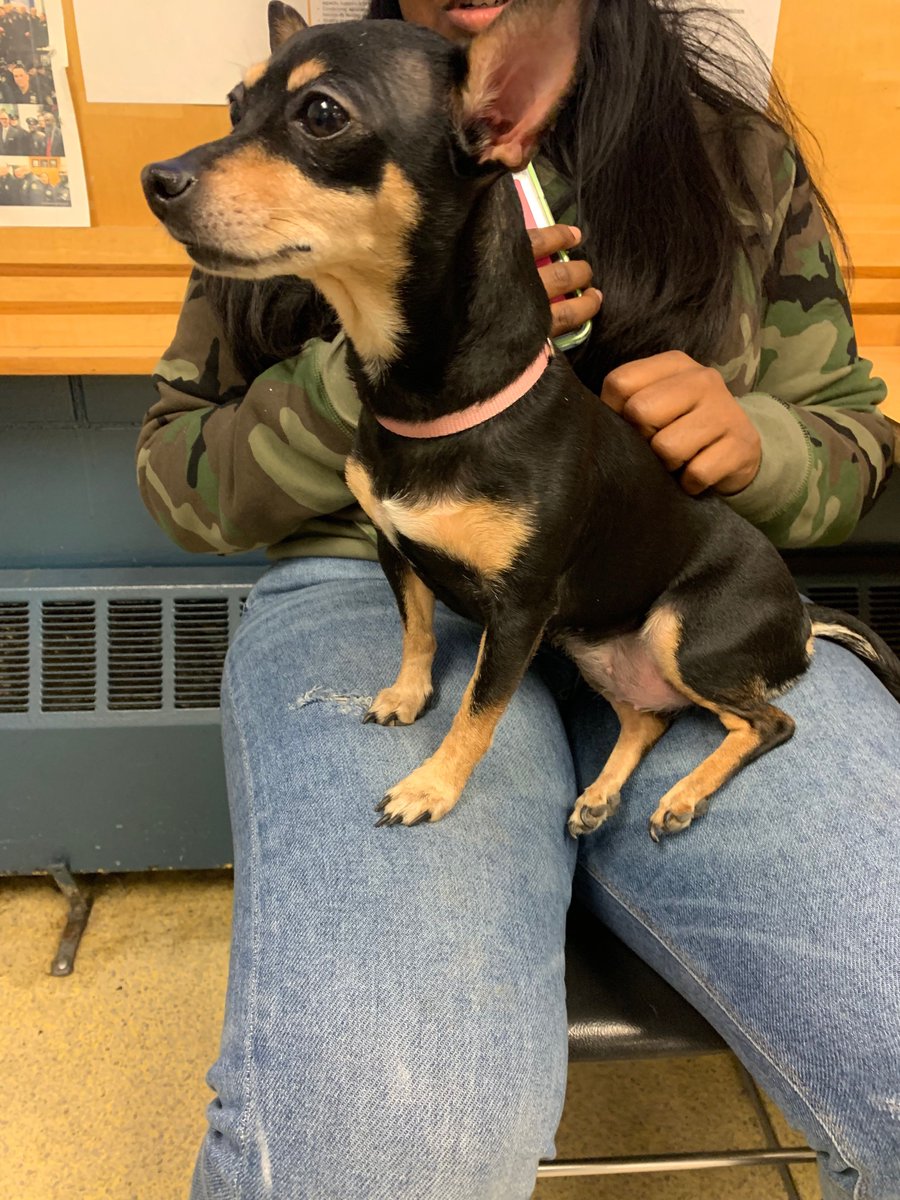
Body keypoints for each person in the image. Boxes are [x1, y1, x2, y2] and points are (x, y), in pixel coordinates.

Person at [136, 1, 900, 1197]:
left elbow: (854, 439)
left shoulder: (733, 155)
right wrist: (388, 357)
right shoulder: (314, 119)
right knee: (380, 1145)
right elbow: (180, 485)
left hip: (669, 587)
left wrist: (759, 443)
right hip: (378, 583)